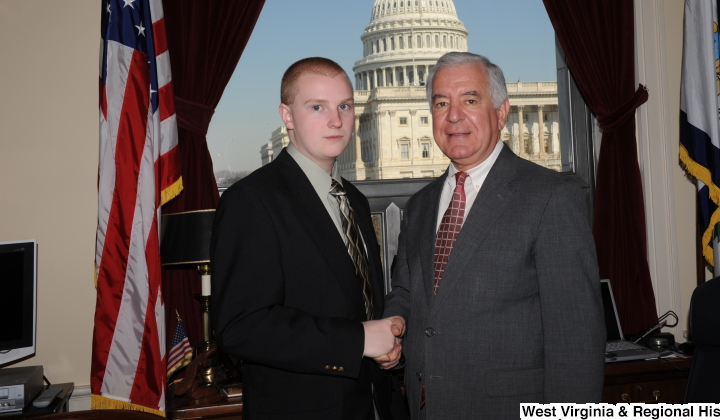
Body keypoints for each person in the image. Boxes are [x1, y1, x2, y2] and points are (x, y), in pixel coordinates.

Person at [382, 52, 606, 418]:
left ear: (501, 113)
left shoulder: (550, 195)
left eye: (470, 100)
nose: (454, 116)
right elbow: (408, 292)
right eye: (441, 103)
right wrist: (394, 325)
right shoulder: (421, 204)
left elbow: (576, 337)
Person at [211, 57, 402, 420]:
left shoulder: (354, 201)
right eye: (317, 107)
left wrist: (387, 343)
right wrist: (357, 340)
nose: (336, 120)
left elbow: (358, 304)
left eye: (344, 106)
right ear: (287, 116)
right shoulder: (251, 201)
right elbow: (240, 326)